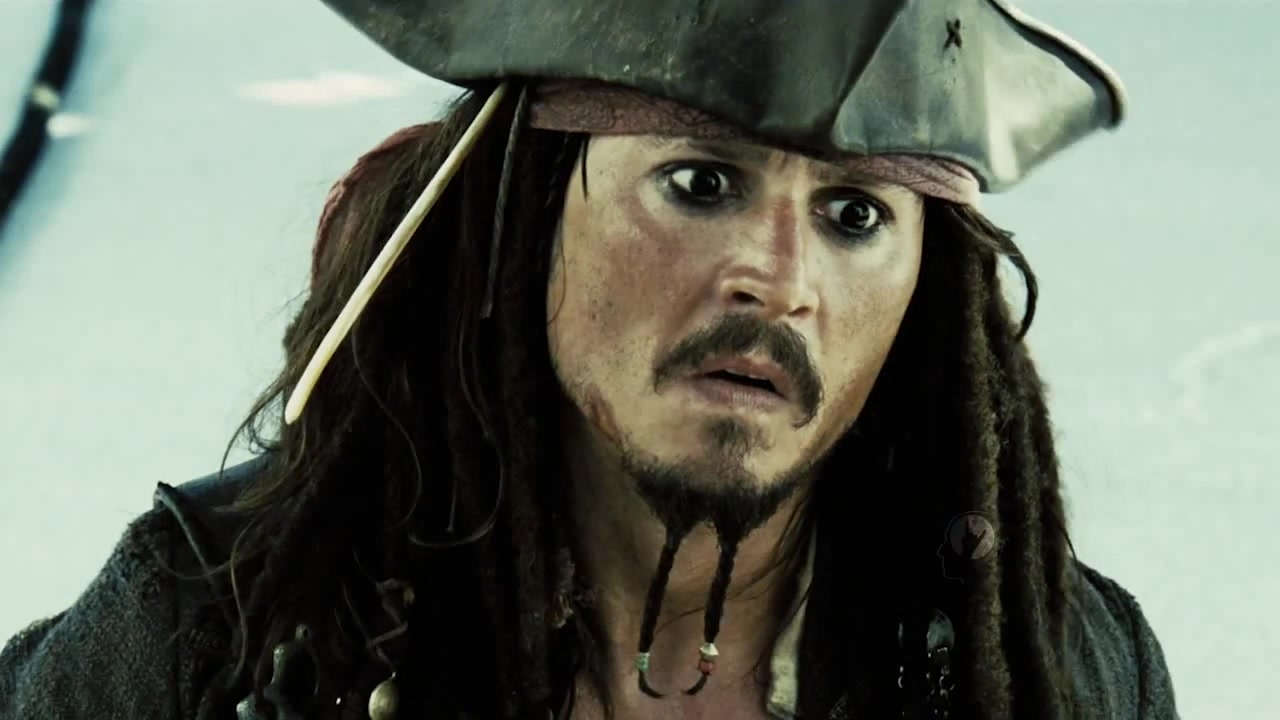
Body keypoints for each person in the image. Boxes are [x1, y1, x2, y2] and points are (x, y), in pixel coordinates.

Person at [0, 1, 1180, 718]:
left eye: (853, 214)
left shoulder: (1055, 669)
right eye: (700, 183)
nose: (778, 280)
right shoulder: (216, 626)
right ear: (525, 220)